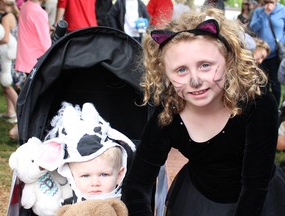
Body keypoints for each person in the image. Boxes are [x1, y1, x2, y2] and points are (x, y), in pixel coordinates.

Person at [121, 7, 285, 216]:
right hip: (199, 199)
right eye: (181, 70)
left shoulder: (256, 104)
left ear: (229, 62)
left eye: (205, 65)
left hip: (259, 200)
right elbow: (136, 185)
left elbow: (254, 187)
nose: (195, 80)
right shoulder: (169, 114)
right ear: (165, 74)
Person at [39, 102, 136, 204]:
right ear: (71, 176)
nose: (95, 183)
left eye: (104, 174)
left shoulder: (127, 202)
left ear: (119, 175)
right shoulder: (66, 201)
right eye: (85, 176)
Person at [13, 0, 51, 140]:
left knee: (30, 97)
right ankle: (28, 130)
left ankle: (23, 129)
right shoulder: (39, 12)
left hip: (26, 59)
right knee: (38, 100)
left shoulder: (25, 7)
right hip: (38, 61)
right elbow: (45, 42)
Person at [249, 0, 285, 106]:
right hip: (260, 55)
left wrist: (281, 41)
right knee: (260, 84)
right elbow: (252, 29)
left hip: (275, 55)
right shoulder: (258, 11)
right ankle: (262, 109)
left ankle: (276, 108)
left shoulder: (282, 10)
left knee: (276, 86)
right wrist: (265, 14)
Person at [0, 0, 18, 125]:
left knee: (8, 85)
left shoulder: (6, 18)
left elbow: (4, 38)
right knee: (6, 85)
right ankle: (10, 111)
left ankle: (18, 112)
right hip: (11, 53)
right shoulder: (11, 14)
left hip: (8, 54)